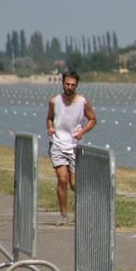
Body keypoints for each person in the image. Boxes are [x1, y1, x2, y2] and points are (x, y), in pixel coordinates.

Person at [45, 70, 97, 226]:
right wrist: (50, 128)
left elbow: (93, 119)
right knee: (62, 179)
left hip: (73, 146)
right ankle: (63, 215)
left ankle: (85, 210)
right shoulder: (55, 101)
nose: (69, 87)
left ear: (77, 85)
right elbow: (49, 118)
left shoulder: (83, 102)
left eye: (73, 85)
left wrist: (82, 132)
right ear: (62, 83)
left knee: (74, 184)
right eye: (67, 84)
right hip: (58, 144)